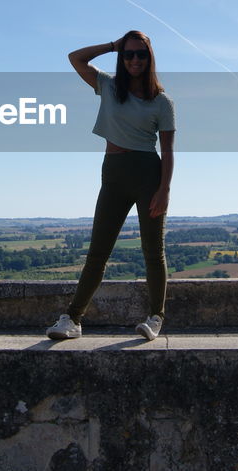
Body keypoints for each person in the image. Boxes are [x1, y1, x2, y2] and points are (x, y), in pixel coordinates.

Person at [47, 30, 176, 341]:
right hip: (114, 175)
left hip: (149, 174)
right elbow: (75, 58)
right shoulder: (107, 85)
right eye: (129, 54)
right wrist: (112, 46)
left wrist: (164, 190)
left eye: (141, 54)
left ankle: (155, 317)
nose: (134, 60)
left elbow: (169, 151)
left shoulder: (162, 102)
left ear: (150, 59)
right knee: (98, 253)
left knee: (152, 252)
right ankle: (73, 319)